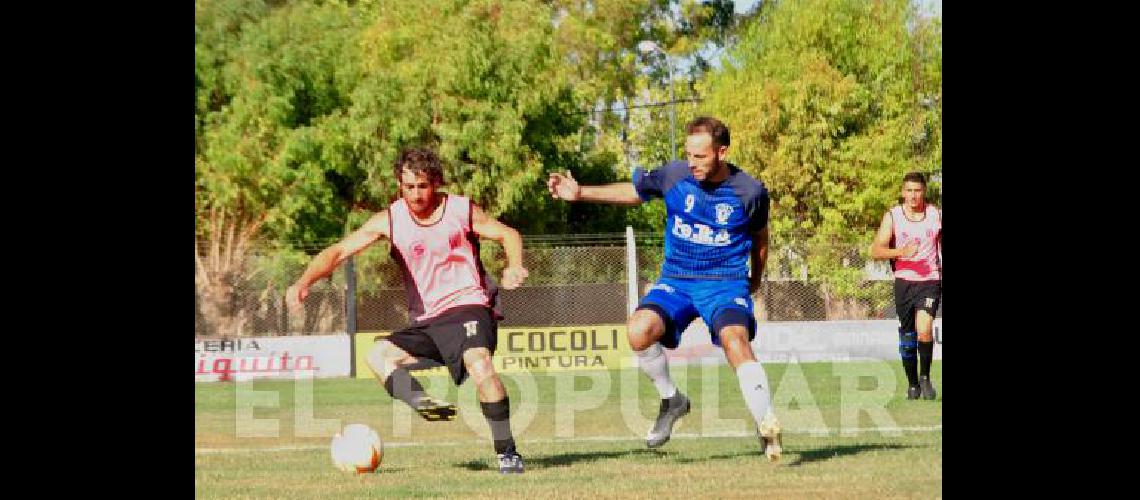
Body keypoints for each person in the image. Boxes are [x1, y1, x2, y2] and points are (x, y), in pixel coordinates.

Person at [546, 116, 782, 462]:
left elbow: (760, 238)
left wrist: (756, 278)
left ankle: (767, 427)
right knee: (638, 331)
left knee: (735, 341)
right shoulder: (674, 176)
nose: (692, 162)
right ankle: (672, 399)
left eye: (700, 156)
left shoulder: (750, 192)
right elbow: (636, 191)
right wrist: (581, 193)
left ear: (722, 152)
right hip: (677, 280)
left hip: (724, 282)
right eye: (689, 154)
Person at [287, 148, 530, 473]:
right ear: (399, 185)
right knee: (378, 356)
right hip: (428, 320)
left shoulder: (459, 209)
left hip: (468, 305)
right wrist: (303, 282)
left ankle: (507, 453)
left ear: (437, 183)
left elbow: (507, 233)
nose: (416, 194)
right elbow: (338, 252)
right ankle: (420, 401)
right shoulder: (390, 219)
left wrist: (515, 265)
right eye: (409, 187)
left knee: (479, 363)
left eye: (423, 186)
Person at [870, 172, 942, 400]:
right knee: (908, 335)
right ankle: (912, 384)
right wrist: (901, 252)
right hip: (904, 282)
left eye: (917, 190)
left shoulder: (935, 215)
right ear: (903, 192)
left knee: (924, 329)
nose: (913, 195)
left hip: (930, 281)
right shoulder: (893, 216)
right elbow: (875, 250)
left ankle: (925, 378)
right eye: (909, 190)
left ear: (924, 192)